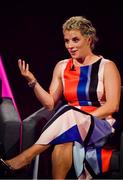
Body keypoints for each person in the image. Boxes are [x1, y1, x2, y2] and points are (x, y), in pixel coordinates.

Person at [0, 16, 121, 179]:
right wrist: (33, 82)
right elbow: (50, 104)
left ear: (89, 39)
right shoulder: (62, 66)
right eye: (66, 41)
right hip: (68, 125)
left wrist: (81, 118)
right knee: (61, 146)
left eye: (75, 40)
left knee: (69, 112)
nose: (70, 46)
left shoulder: (107, 66)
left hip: (99, 124)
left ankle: (26, 157)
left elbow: (112, 106)